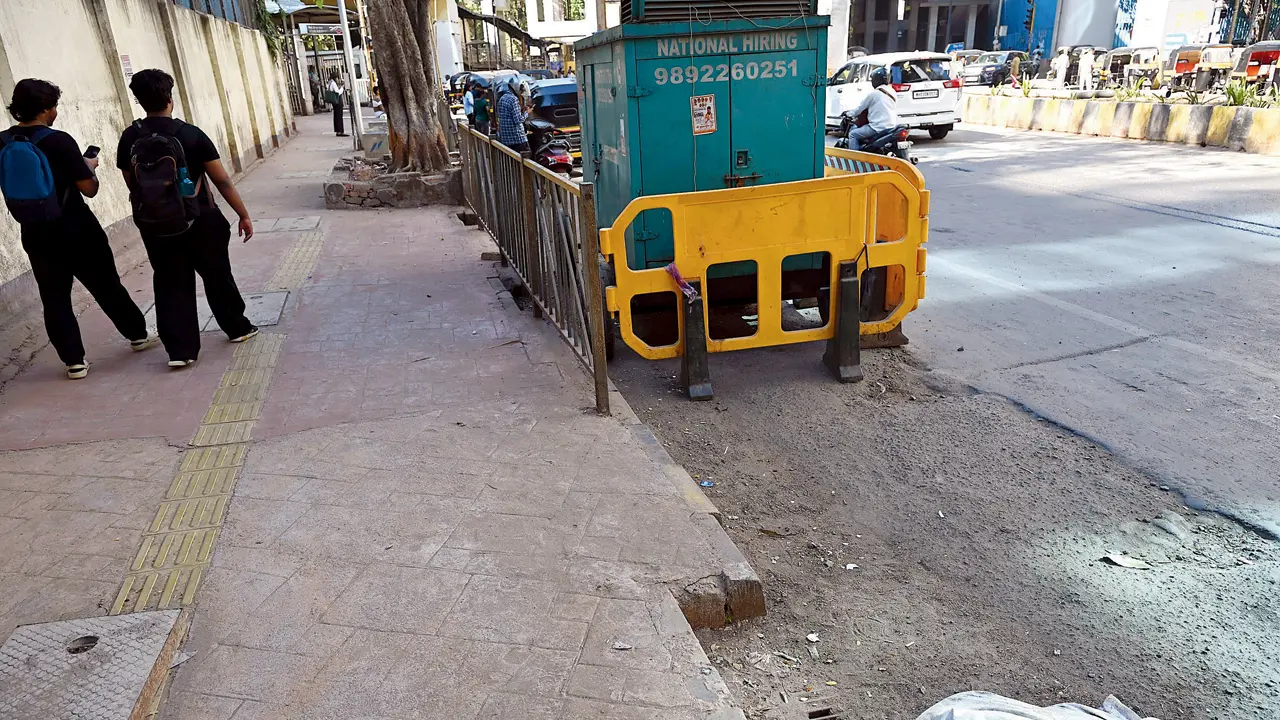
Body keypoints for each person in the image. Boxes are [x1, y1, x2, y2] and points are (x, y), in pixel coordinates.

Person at [0, 79, 153, 379]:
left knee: (54, 297)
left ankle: (74, 361)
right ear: (45, 110)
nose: (55, 111)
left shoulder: (2, 143)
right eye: (54, 106)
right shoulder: (59, 141)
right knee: (106, 285)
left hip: (34, 231)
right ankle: (137, 335)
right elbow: (89, 189)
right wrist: (88, 168)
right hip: (77, 229)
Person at [116, 68, 258, 369]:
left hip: (156, 225)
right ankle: (237, 328)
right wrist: (243, 214)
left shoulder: (130, 138)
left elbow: (133, 184)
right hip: (201, 220)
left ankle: (180, 351)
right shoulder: (190, 134)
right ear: (170, 98)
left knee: (169, 283)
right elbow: (222, 181)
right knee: (217, 274)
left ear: (139, 100)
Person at [845, 67, 898, 151]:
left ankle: (855, 161)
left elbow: (859, 109)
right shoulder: (892, 92)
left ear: (875, 80)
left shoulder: (873, 94)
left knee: (853, 134)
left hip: (877, 127)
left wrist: (848, 114)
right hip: (891, 126)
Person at [497, 78, 531, 152]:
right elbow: (518, 120)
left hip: (506, 139)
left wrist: (521, 110)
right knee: (526, 157)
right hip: (517, 138)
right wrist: (527, 112)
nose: (522, 92)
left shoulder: (502, 98)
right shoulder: (514, 99)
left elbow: (506, 115)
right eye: (521, 89)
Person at [328, 71, 347, 137]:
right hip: (337, 100)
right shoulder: (333, 83)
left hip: (334, 101)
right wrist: (342, 88)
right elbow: (337, 92)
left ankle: (337, 130)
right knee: (339, 116)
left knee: (336, 116)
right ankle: (340, 131)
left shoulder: (330, 82)